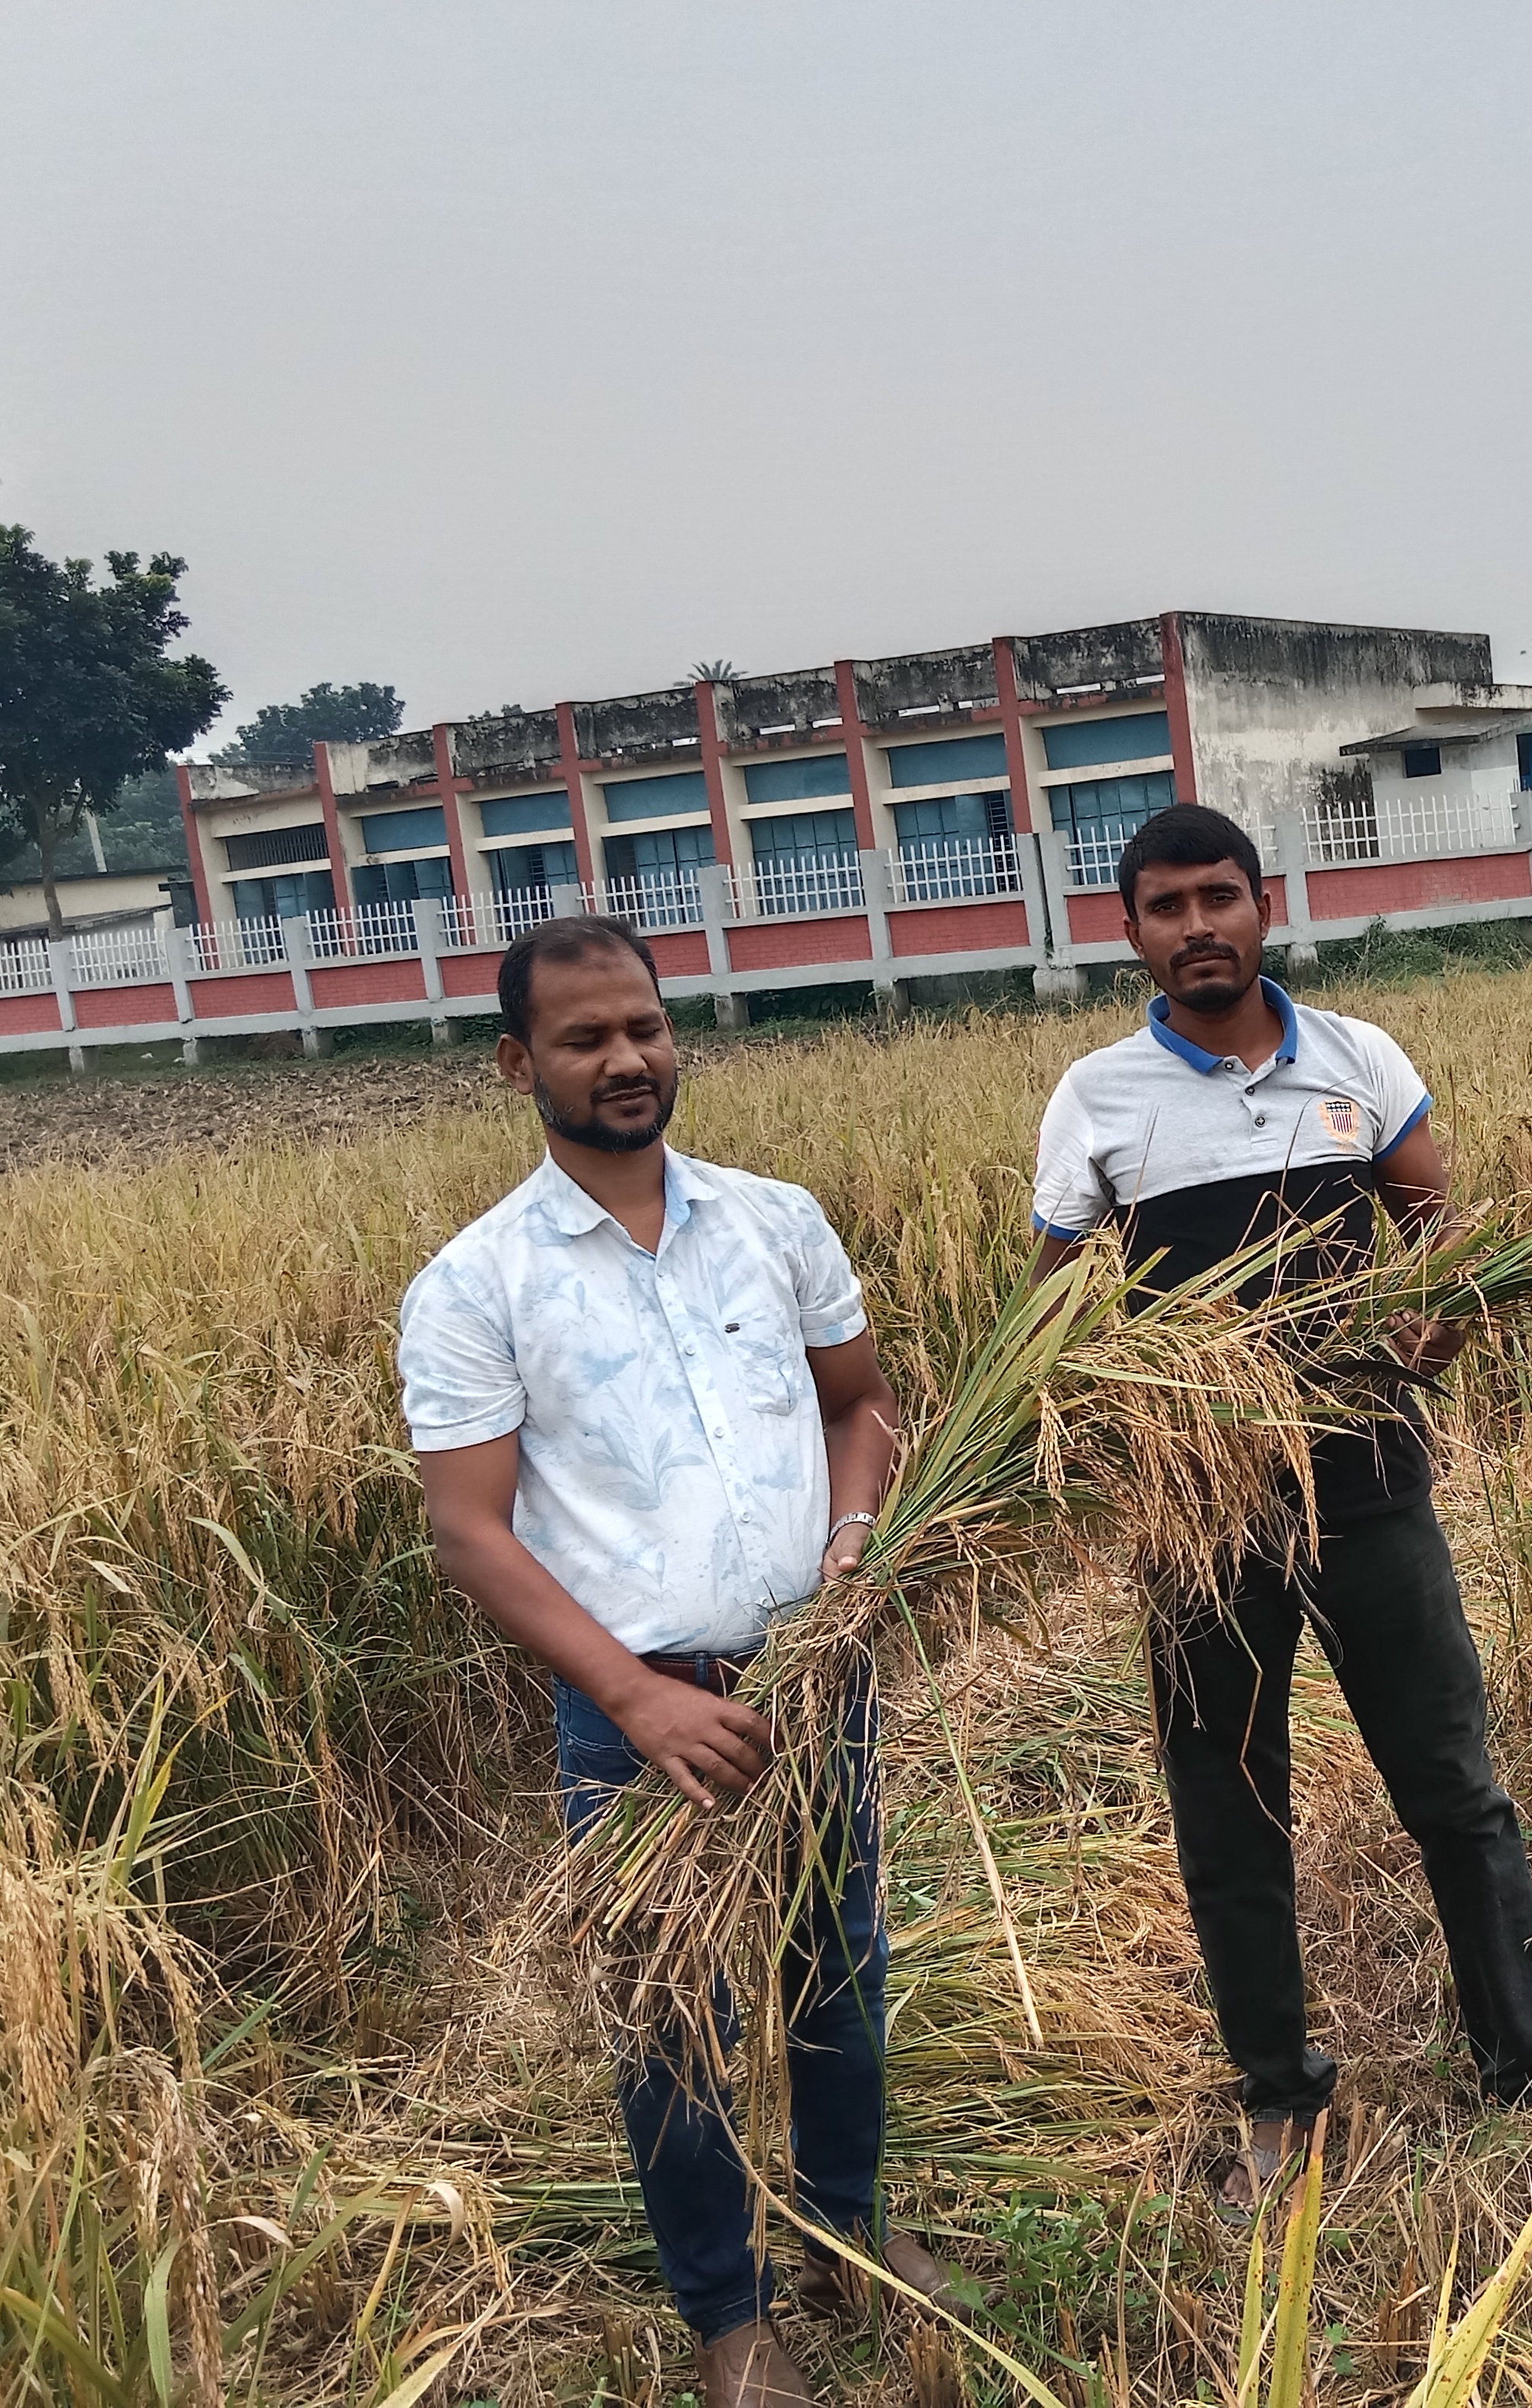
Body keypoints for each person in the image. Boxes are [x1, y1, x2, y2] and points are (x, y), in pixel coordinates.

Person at [397, 915, 959, 2408]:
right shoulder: (479, 1283)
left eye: (643, 1025)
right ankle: (730, 2315)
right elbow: (472, 1533)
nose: (626, 1058)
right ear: (520, 1063)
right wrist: (636, 1698)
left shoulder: (776, 1221)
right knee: (671, 2012)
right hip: (636, 1714)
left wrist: (853, 1545)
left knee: (835, 1961)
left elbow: (865, 1406)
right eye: (584, 1038)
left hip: (805, 1670)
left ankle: (846, 2229)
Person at [1027, 804, 1532, 2210]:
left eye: (1221, 897)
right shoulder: (1097, 1099)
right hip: (1202, 1517)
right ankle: (1280, 2089)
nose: (1197, 925)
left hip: (1370, 1485)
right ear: (1128, 929)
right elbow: (1057, 1317)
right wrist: (1130, 1409)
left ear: (1265, 907)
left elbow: (1436, 1227)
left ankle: (1524, 2064)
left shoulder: (1357, 1059)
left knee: (1453, 1783)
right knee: (1227, 1804)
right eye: (1166, 906)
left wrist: (1434, 1325)